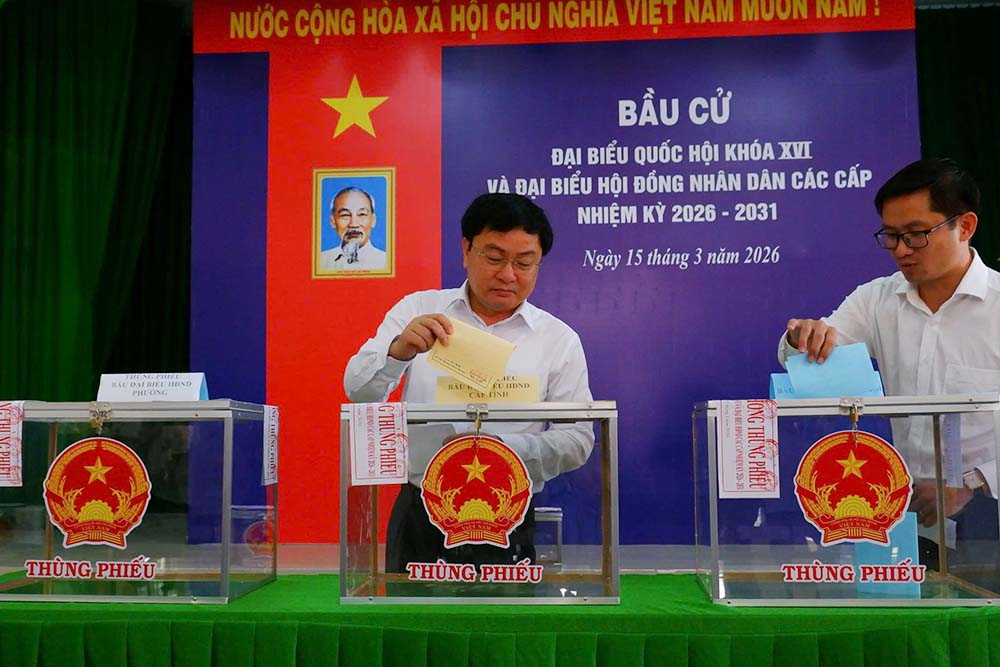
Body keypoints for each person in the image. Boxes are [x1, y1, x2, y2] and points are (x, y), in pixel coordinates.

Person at [344, 193, 594, 572]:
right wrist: (400, 351)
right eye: (494, 258)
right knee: (411, 628)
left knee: (503, 629)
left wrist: (500, 451)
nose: (508, 274)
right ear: (466, 249)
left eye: (524, 262)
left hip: (510, 511)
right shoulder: (417, 310)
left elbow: (578, 439)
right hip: (421, 513)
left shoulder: (558, 339)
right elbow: (359, 392)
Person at [778, 158, 1000, 568]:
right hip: (913, 529)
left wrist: (973, 484)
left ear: (965, 226)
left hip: (990, 522)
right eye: (891, 236)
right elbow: (809, 352)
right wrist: (801, 337)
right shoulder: (877, 300)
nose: (901, 251)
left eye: (916, 235)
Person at [320, 186, 387, 271]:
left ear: (373, 220)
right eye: (345, 215)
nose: (353, 224)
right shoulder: (321, 261)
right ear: (333, 221)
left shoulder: (386, 262)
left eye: (362, 214)